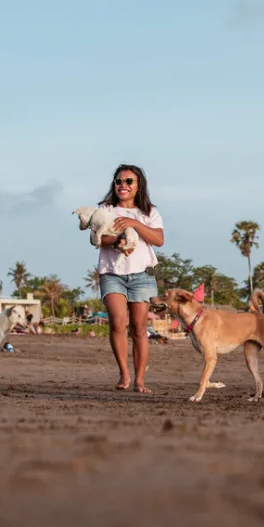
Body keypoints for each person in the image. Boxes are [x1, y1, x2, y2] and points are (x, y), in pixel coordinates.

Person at [96, 164, 164, 393]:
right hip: (112, 272)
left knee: (139, 327)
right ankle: (124, 375)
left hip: (144, 274)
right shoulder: (105, 209)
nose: (122, 185)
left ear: (138, 185)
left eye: (128, 181)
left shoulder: (149, 212)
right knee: (117, 322)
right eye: (118, 181)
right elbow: (98, 237)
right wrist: (116, 241)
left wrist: (134, 223)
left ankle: (140, 380)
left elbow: (159, 239)